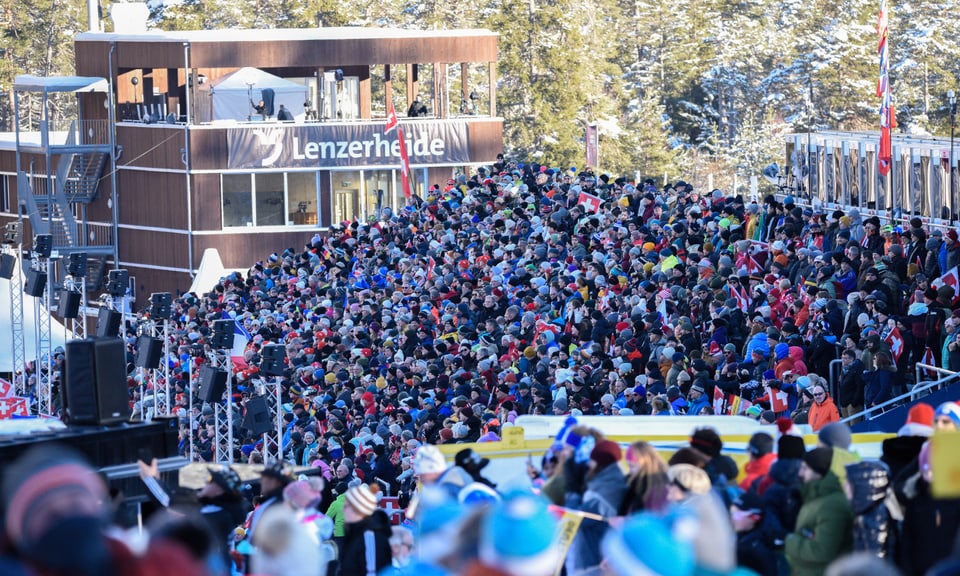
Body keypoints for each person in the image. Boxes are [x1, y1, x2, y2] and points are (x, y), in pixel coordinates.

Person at [4, 444, 205, 576]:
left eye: (76, 505)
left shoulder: (161, 564)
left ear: (99, 505)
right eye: (50, 515)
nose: (68, 518)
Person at [785, 447, 853, 576]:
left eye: (805, 468)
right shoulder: (815, 498)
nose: (800, 473)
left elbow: (822, 550)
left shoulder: (832, 505)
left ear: (819, 472)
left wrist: (787, 541)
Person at [339, 483, 392, 576]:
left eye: (347, 506)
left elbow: (372, 572)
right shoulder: (355, 533)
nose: (343, 510)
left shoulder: (370, 536)